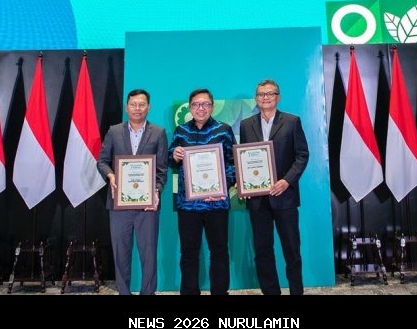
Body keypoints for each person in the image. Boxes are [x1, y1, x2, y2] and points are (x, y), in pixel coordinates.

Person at [238, 79, 309, 295]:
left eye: (270, 93)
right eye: (261, 94)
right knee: (262, 251)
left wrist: (286, 181)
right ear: (256, 98)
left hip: (285, 197)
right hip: (258, 199)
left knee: (292, 250)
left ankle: (296, 291)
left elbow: (302, 155)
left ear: (278, 97)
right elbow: (244, 158)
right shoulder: (246, 125)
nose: (266, 97)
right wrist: (243, 181)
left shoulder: (292, 121)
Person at [97, 88, 168, 295]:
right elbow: (102, 161)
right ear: (127, 107)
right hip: (119, 204)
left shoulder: (158, 133)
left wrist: (156, 191)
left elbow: (162, 169)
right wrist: (111, 175)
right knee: (120, 254)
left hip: (148, 205)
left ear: (149, 107)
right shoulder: (114, 131)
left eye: (142, 104)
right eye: (133, 104)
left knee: (149, 254)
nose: (137, 108)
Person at [169, 88, 236, 295]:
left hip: (217, 203)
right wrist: (174, 155)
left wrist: (223, 186)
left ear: (212, 107)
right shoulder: (180, 131)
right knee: (188, 253)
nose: (201, 108)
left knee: (219, 251)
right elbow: (171, 160)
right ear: (190, 107)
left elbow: (233, 163)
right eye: (196, 104)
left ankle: (220, 292)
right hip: (188, 205)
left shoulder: (224, 130)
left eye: (206, 104)